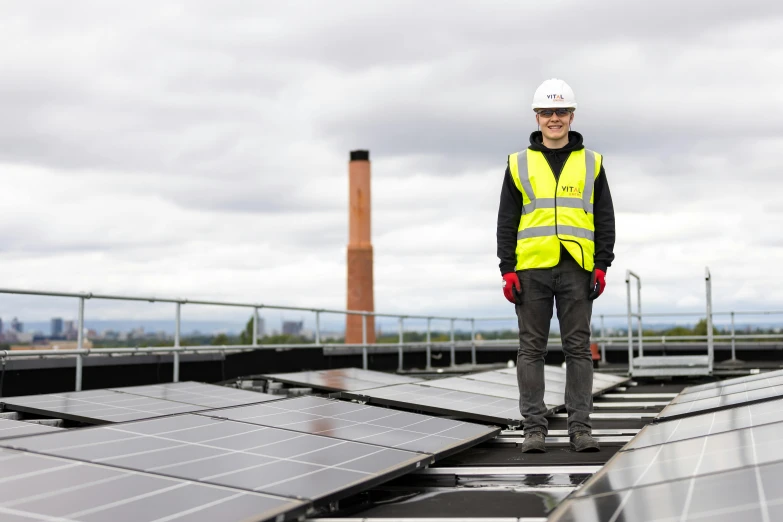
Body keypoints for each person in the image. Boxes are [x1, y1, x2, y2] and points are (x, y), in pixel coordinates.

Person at [496, 78, 616, 453]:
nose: (554, 118)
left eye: (560, 111)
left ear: (571, 115)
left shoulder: (592, 162)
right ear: (537, 117)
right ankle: (534, 429)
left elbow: (605, 217)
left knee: (577, 349)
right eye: (547, 112)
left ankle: (580, 429)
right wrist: (507, 269)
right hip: (531, 269)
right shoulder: (518, 163)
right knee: (531, 349)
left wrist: (602, 264)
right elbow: (507, 219)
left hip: (578, 269)